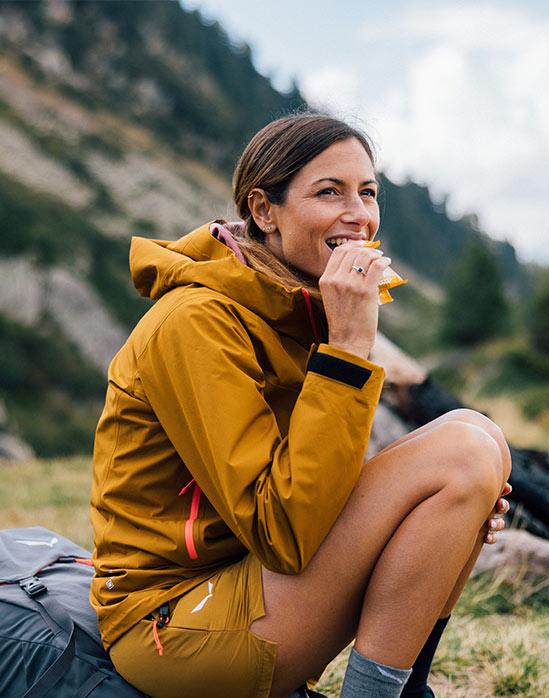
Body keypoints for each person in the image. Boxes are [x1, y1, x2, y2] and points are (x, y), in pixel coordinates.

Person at [90, 113, 513, 698]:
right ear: (264, 212)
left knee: (476, 434)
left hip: (252, 581)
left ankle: (406, 688)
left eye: (367, 192)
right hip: (172, 624)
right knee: (462, 453)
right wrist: (347, 351)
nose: (359, 214)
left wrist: (439, 517)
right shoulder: (194, 324)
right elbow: (284, 531)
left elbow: (315, 488)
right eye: (329, 192)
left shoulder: (294, 305)